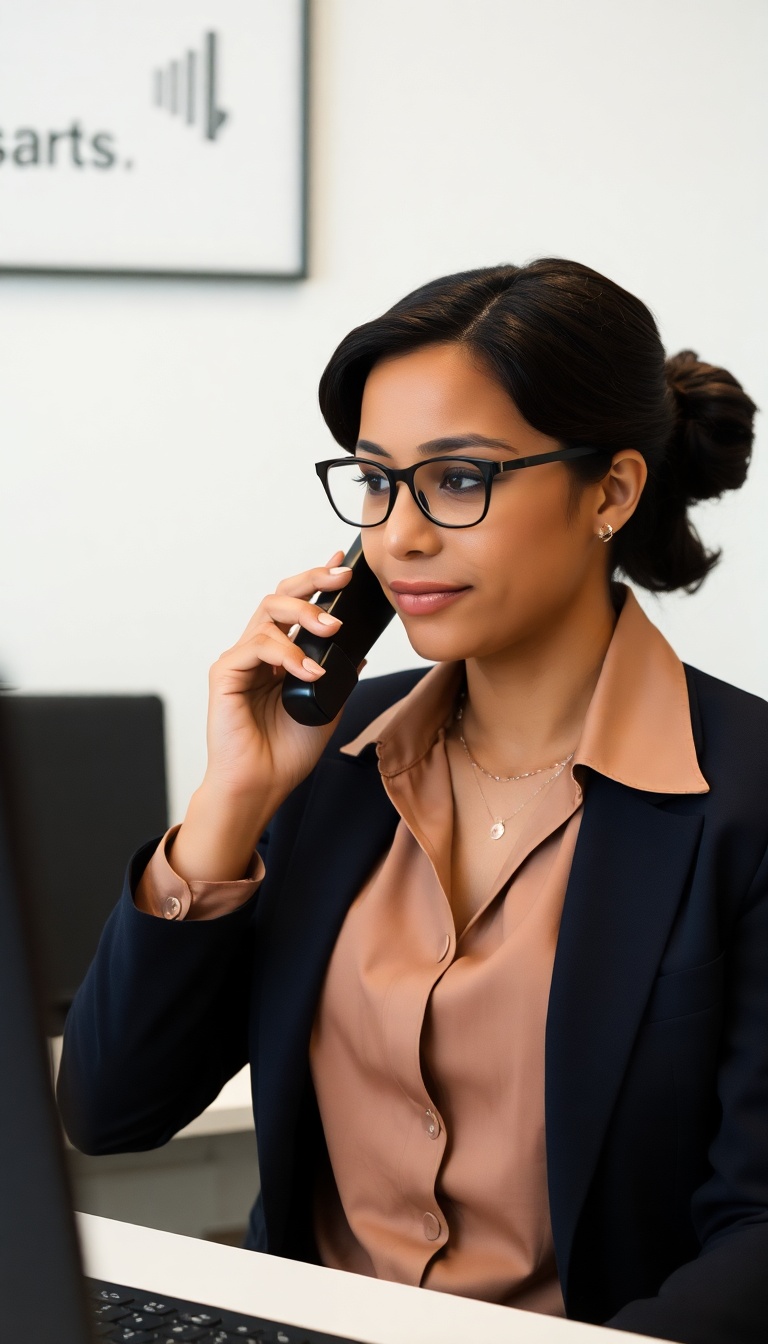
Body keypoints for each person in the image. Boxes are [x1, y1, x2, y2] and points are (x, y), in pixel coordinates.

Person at [58, 259, 766, 1343]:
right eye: (377, 480)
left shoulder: (745, 798)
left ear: (612, 492)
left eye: (459, 480)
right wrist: (231, 804)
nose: (400, 536)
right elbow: (112, 1110)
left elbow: (758, 1232)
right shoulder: (328, 760)